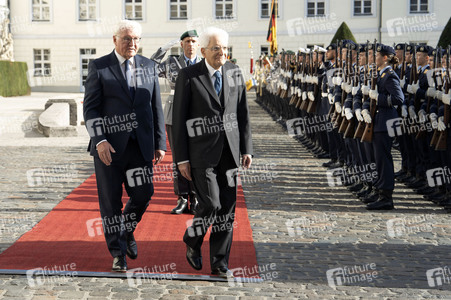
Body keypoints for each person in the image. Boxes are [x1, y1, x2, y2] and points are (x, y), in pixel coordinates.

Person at [83, 20, 166, 272]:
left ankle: (127, 231)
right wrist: (100, 140)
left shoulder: (149, 66)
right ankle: (118, 254)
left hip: (140, 145)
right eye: (128, 39)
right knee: (110, 202)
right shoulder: (99, 67)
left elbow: (156, 107)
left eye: (137, 39)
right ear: (115, 40)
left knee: (144, 194)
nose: (133, 44)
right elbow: (91, 108)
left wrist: (160, 142)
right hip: (108, 149)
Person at [172, 27, 253, 278]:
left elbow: (242, 114)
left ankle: (219, 263)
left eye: (225, 48)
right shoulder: (188, 76)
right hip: (200, 154)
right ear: (204, 50)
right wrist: (181, 159)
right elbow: (179, 119)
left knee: (227, 210)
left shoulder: (234, 72)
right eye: (216, 48)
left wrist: (247, 149)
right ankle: (192, 240)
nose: (222, 53)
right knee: (210, 203)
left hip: (229, 151)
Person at [157, 30, 202, 215]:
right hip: (174, 111)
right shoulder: (172, 62)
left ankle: (197, 197)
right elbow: (150, 68)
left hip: (198, 112)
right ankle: (182, 196)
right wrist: (162, 49)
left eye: (193, 41)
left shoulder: (204, 62)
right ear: (181, 44)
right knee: (178, 156)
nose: (190, 44)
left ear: (198, 44)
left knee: (198, 157)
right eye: (186, 41)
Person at [362, 44, 404, 210]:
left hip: (385, 123)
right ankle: (380, 192)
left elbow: (398, 99)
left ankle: (386, 197)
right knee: (378, 160)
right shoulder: (381, 74)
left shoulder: (390, 76)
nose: (375, 57)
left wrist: (378, 97)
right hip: (379, 122)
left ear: (385, 57)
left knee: (384, 160)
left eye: (377, 55)